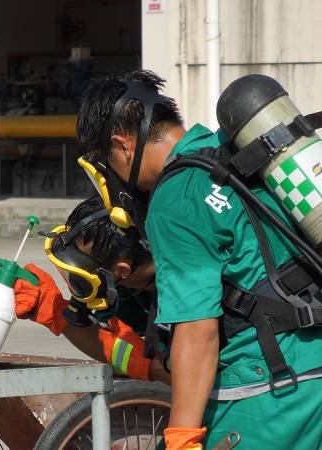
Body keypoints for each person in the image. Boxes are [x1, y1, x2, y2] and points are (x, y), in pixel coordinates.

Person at [76, 70, 322, 449]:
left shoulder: (175, 199)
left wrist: (182, 437)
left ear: (122, 145)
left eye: (106, 168)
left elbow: (197, 330)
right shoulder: (230, 150)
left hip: (269, 387)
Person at [14, 195, 170, 384]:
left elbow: (182, 374)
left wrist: (148, 366)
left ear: (122, 270)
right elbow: (114, 347)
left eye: (83, 276)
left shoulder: (187, 292)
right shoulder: (126, 285)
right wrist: (54, 311)